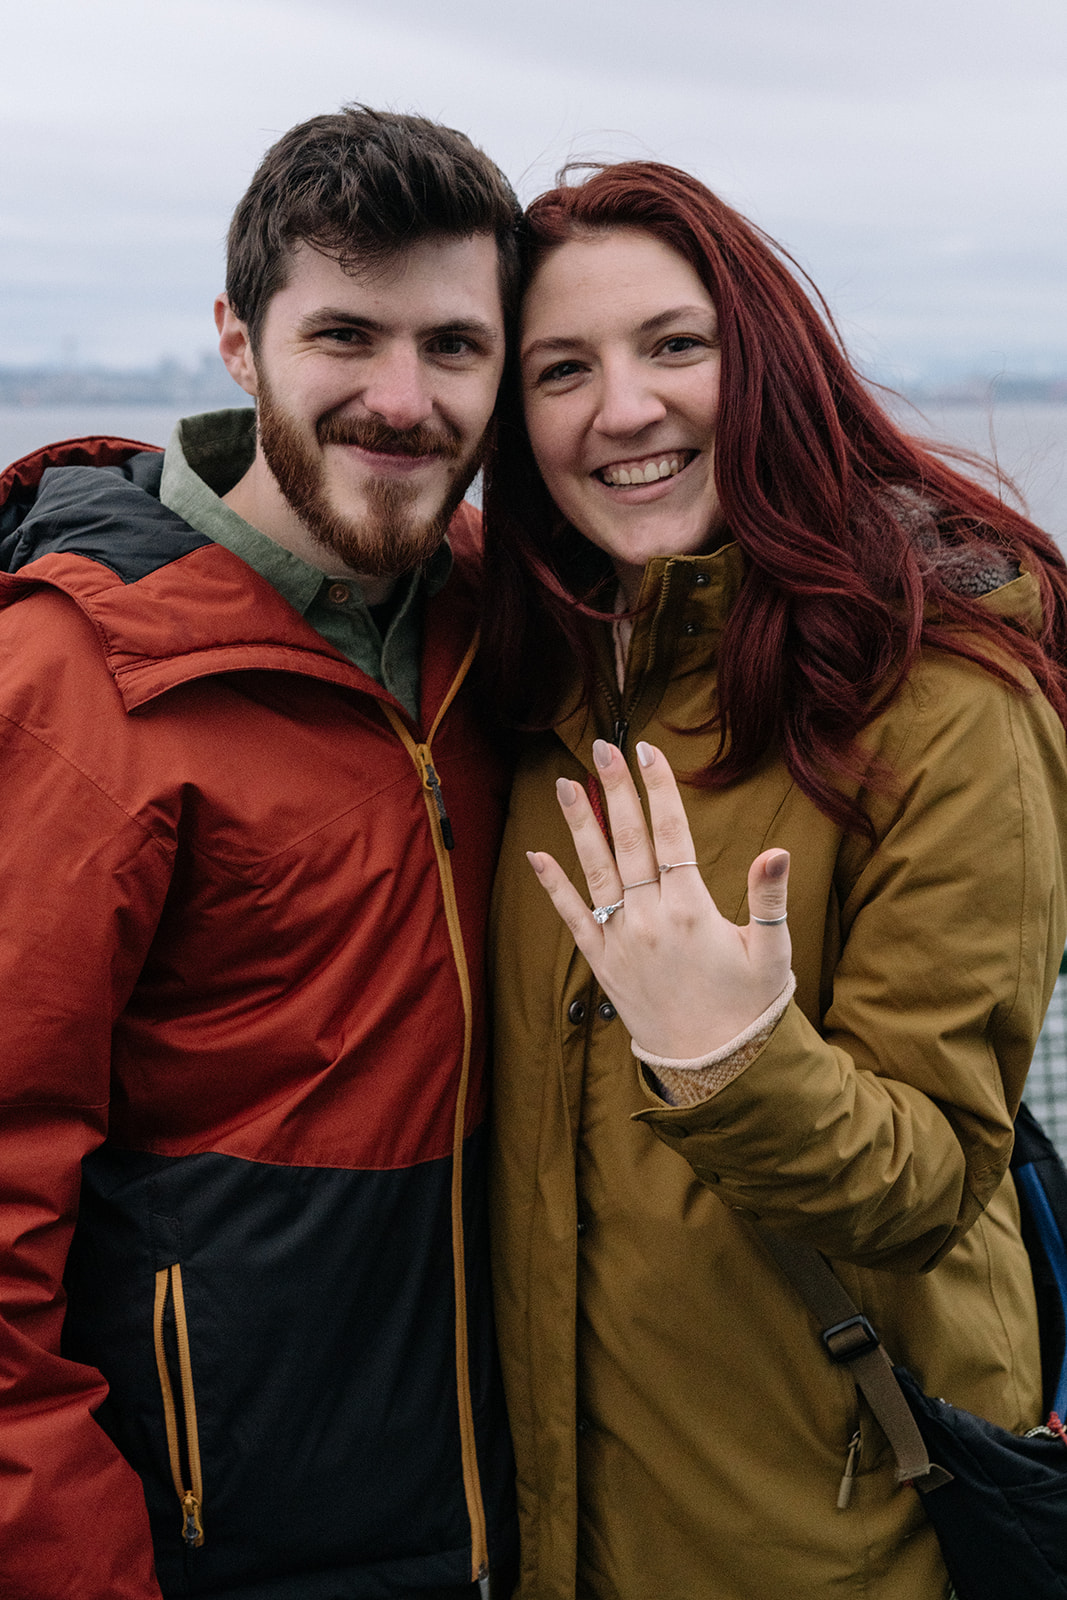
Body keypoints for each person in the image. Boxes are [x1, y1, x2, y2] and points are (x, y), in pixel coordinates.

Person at [482, 161, 1067, 1599]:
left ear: (769, 361)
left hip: (845, 1531)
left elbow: (933, 1177)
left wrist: (727, 1054)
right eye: (562, 369)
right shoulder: (531, 674)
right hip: (565, 1520)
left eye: (677, 346)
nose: (625, 409)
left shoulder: (942, 694)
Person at [0, 107, 521, 1600]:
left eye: (456, 348)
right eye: (345, 336)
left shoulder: (505, 635)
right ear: (239, 341)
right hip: (221, 1549)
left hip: (506, 1514)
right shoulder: (76, 678)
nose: (403, 400)